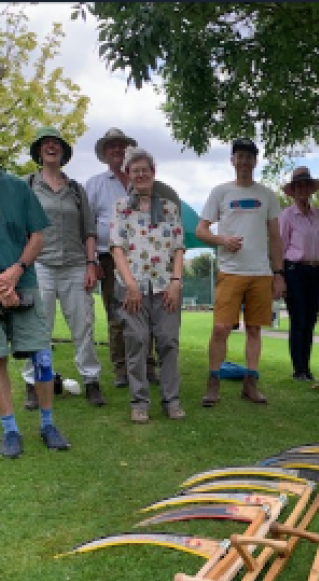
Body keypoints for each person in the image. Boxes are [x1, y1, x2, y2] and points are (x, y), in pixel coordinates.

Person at [0, 116, 70, 458]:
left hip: (24, 282)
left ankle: (48, 423)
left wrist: (14, 272)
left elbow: (37, 236)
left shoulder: (19, 188)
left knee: (42, 354)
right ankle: (10, 430)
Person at [196, 137, 286, 406]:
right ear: (232, 161)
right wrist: (223, 240)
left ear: (255, 161)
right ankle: (213, 382)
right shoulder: (220, 192)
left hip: (261, 273)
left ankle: (251, 383)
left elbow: (275, 236)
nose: (244, 161)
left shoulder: (267, 195)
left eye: (249, 156)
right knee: (221, 328)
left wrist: (278, 272)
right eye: (240, 156)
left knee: (255, 330)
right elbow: (202, 230)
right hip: (230, 271)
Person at [21, 126, 105, 409]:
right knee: (36, 328)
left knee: (83, 326)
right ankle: (34, 384)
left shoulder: (76, 190)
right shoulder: (27, 185)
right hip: (39, 267)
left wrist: (92, 265)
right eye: (45, 143)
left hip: (75, 266)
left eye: (56, 143)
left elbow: (90, 232)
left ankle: (91, 381)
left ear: (64, 152)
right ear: (39, 151)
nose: (51, 147)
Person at [86, 128, 167, 388]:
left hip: (146, 256)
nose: (117, 150)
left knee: (149, 310)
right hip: (109, 257)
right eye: (112, 146)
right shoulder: (95, 184)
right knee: (117, 313)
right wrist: (92, 260)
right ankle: (122, 369)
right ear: (105, 153)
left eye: (121, 146)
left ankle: (148, 365)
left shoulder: (143, 180)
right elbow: (87, 225)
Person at [109, 146, 185, 423]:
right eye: (135, 170)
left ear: (153, 173)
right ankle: (139, 401)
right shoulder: (120, 208)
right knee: (137, 341)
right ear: (128, 175)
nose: (140, 174)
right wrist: (130, 285)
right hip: (132, 289)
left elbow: (178, 247)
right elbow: (116, 248)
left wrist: (176, 282)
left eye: (145, 170)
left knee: (168, 341)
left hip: (165, 287)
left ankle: (171, 400)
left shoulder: (169, 207)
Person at [279, 166, 319, 381]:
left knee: (311, 319)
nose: (302, 189)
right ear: (293, 190)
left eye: (305, 185)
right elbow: (280, 248)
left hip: (315, 271)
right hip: (295, 270)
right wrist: (280, 276)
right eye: (298, 185)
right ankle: (299, 368)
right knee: (299, 319)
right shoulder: (287, 216)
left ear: (311, 189)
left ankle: (307, 367)